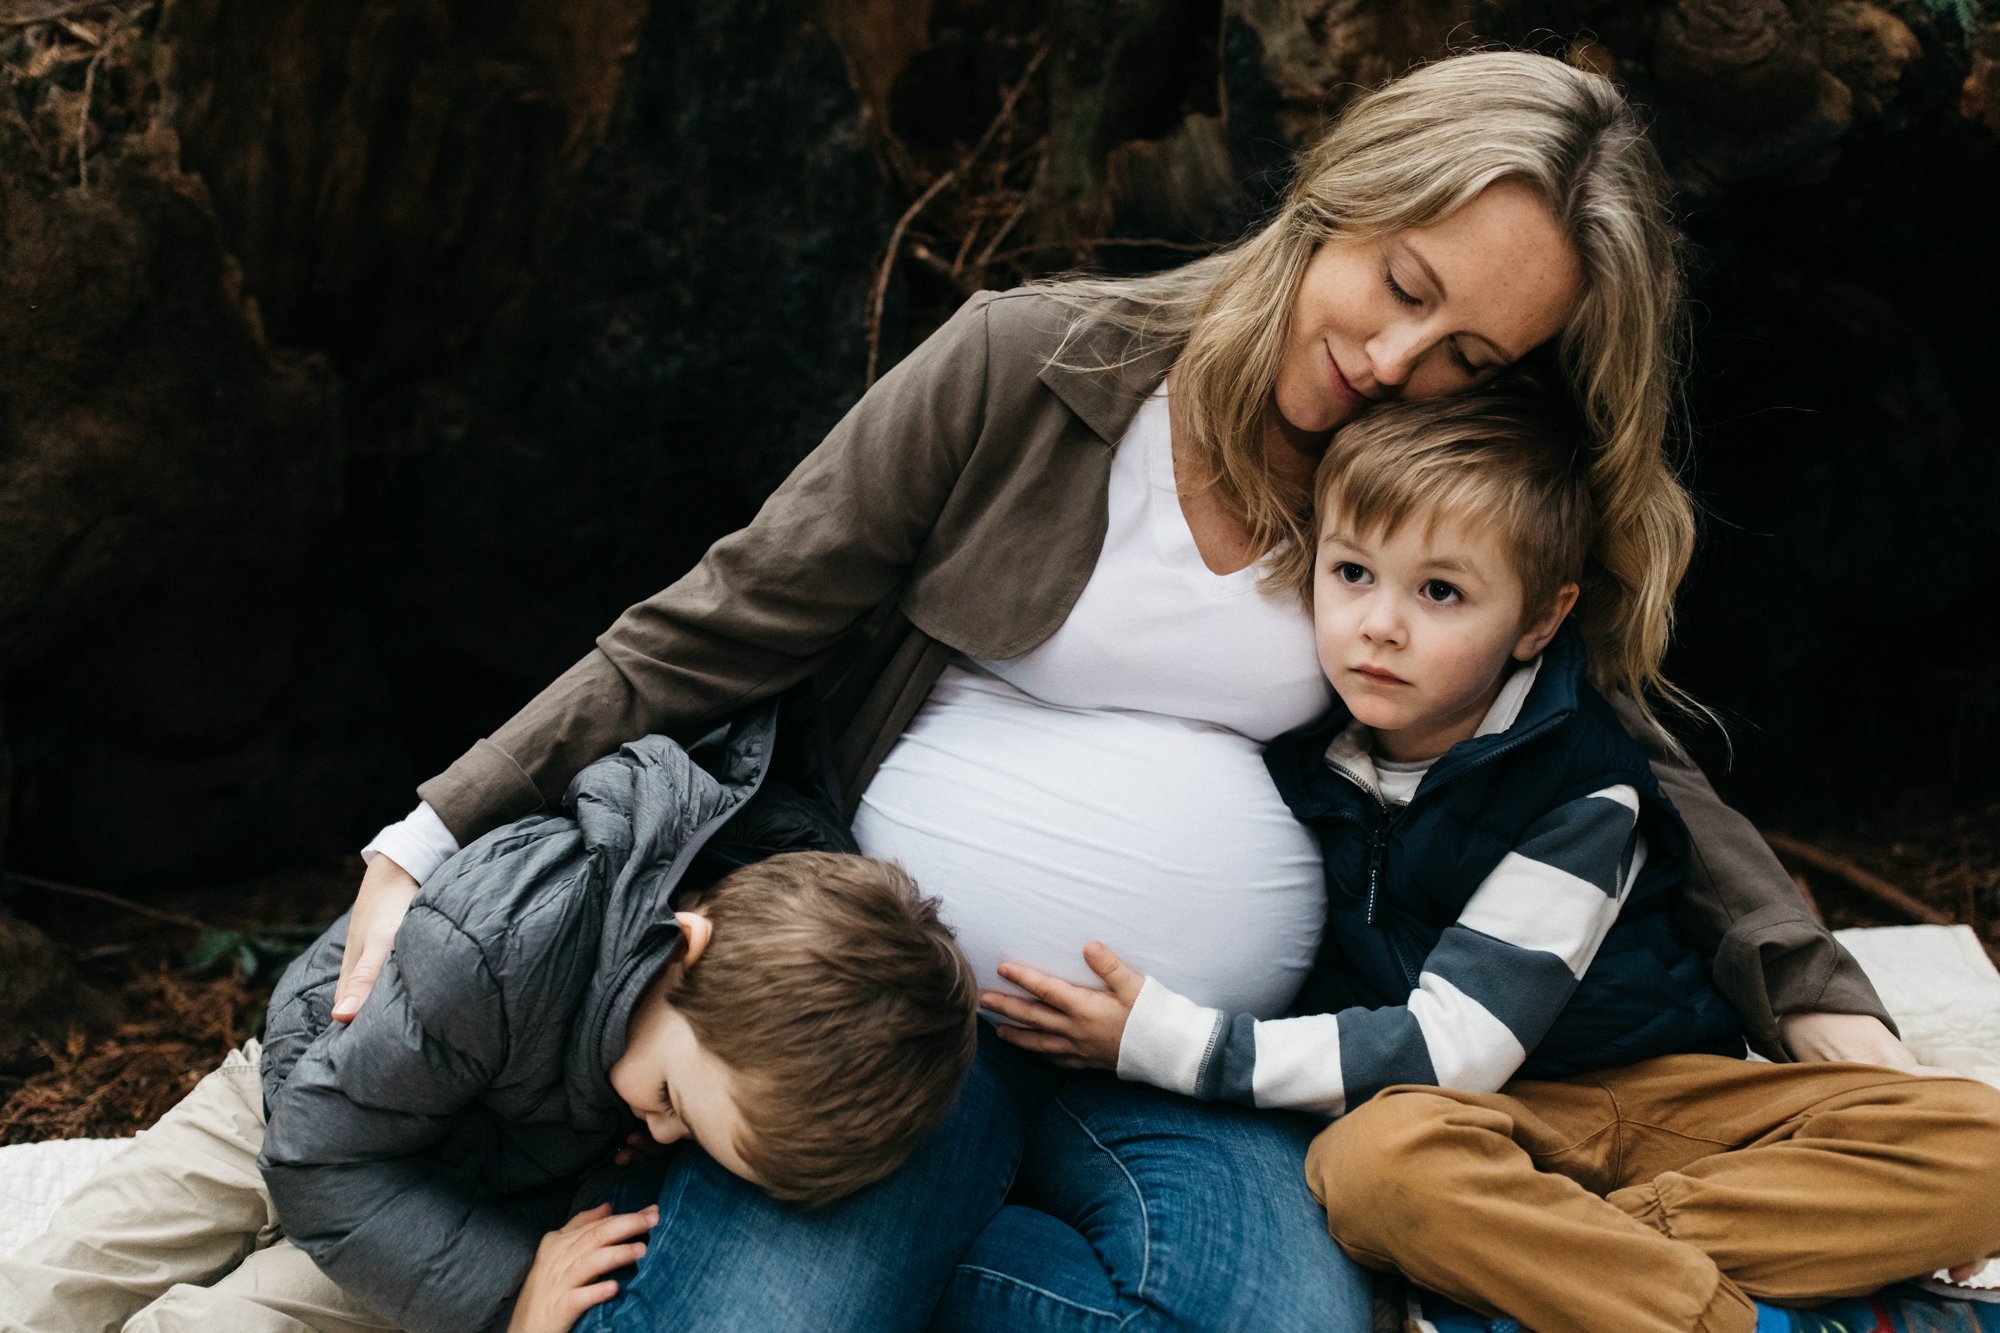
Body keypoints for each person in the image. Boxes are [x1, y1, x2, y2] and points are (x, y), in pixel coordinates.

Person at [330, 50, 1925, 1332]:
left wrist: (1812, 989)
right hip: (904, 1021)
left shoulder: (1426, 496)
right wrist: (428, 832)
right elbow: (721, 620)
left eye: (1474, 356)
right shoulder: (1033, 367)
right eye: (1403, 281)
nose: (1400, 359)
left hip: (1207, 1058)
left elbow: (1602, 735)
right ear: (1337, 197)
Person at [985, 389, 2000, 1333]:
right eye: (1350, 573)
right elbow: (1439, 1089)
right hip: (1465, 1128)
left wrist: (1169, 1041)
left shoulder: (1579, 788)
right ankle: (1739, 1315)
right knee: (1372, 1166)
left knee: (1980, 1145)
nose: (1378, 623)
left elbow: (1453, 1043)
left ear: (1539, 621)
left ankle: (1567, 1266)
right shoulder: (1304, 750)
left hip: (1657, 1092)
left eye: (1439, 591)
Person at [0, 709, 978, 1333]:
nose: (664, 1133)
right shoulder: (501, 941)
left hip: (460, 1179)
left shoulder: (708, 1028)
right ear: (684, 949)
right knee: (73, 1265)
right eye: (675, 1100)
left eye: (695, 1140)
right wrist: (511, 1291)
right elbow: (318, 1155)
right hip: (303, 1098)